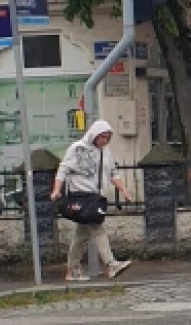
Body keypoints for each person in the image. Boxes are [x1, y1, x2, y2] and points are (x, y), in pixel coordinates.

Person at [51, 118, 134, 282]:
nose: (104, 140)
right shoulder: (77, 148)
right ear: (94, 134)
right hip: (81, 196)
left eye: (107, 137)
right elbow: (63, 169)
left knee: (81, 236)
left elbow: (112, 173)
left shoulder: (105, 151)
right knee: (97, 228)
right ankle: (111, 264)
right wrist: (56, 190)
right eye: (102, 137)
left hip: (94, 197)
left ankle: (72, 270)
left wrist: (123, 189)